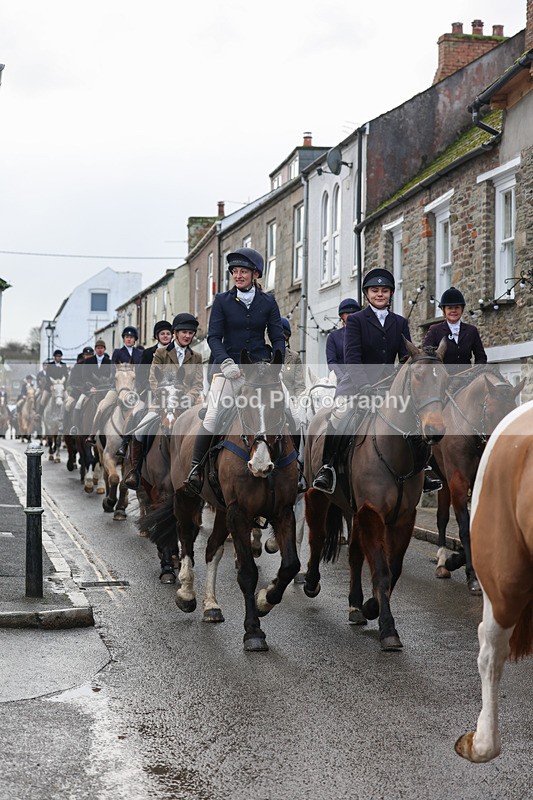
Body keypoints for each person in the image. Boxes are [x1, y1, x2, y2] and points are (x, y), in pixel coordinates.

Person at [313, 267, 442, 494]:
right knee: (340, 417)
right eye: (374, 290)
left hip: (389, 387)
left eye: (384, 290)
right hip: (355, 385)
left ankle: (424, 469)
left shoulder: (400, 322)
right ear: (367, 294)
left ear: (391, 293)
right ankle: (328, 467)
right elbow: (352, 358)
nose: (379, 294)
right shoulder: (356, 321)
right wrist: (363, 386)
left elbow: (406, 357)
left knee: (413, 418)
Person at [185, 247, 285, 494]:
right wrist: (226, 362)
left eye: (243, 271)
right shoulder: (222, 301)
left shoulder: (269, 301)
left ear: (255, 274)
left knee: (292, 411)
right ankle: (197, 468)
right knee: (212, 415)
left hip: (261, 371)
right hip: (227, 369)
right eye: (235, 272)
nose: (238, 275)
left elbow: (277, 337)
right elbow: (214, 337)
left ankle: (298, 469)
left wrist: (276, 365)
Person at [119, 319, 203, 490]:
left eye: (190, 333)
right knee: (141, 428)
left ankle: (199, 471)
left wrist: (187, 397)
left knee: (204, 428)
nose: (187, 336)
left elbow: (198, 384)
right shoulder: (161, 353)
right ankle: (135, 470)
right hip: (163, 400)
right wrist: (164, 396)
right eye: (184, 332)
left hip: (188, 402)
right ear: (175, 333)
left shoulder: (197, 357)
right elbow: (152, 378)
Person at [87, 326, 143, 444]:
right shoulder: (117, 352)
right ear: (124, 338)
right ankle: (93, 434)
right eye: (127, 337)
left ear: (135, 339)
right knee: (103, 406)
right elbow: (113, 370)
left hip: (135, 388)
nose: (129, 339)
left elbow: (141, 371)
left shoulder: (140, 354)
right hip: (117, 387)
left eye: (131, 337)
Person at [422, 287, 487, 367]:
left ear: (462, 310)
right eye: (450, 308)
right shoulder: (434, 330)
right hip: (443, 377)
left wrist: (477, 370)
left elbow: (481, 357)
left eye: (457, 307)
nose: (453, 311)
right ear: (444, 310)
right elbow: (425, 357)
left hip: (467, 377)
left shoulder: (471, 331)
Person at [326, 298, 361, 382]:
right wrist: (342, 378)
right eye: (348, 313)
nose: (351, 315)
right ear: (342, 316)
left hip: (363, 377)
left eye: (354, 313)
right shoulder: (333, 337)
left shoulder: (365, 333)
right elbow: (332, 362)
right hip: (343, 379)